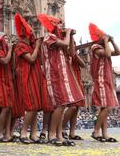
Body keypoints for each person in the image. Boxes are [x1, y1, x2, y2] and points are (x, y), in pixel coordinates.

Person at [37, 14, 84, 146]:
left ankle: (59, 135)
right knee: (60, 104)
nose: (61, 27)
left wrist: (71, 37)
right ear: (52, 25)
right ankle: (51, 134)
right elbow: (64, 43)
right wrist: (68, 33)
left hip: (62, 74)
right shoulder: (49, 37)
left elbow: (70, 53)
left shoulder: (57, 37)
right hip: (54, 74)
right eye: (58, 24)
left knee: (63, 104)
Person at [90, 28, 120, 143]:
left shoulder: (104, 47)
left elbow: (118, 52)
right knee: (106, 106)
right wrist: (106, 41)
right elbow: (108, 53)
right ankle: (96, 131)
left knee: (106, 108)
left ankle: (105, 133)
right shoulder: (95, 47)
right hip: (100, 80)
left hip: (107, 80)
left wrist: (112, 41)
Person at [62, 41, 87, 140]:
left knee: (76, 108)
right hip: (69, 81)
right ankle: (62, 128)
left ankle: (72, 133)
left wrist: (75, 54)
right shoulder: (63, 55)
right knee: (72, 107)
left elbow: (83, 64)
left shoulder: (74, 56)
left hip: (77, 81)